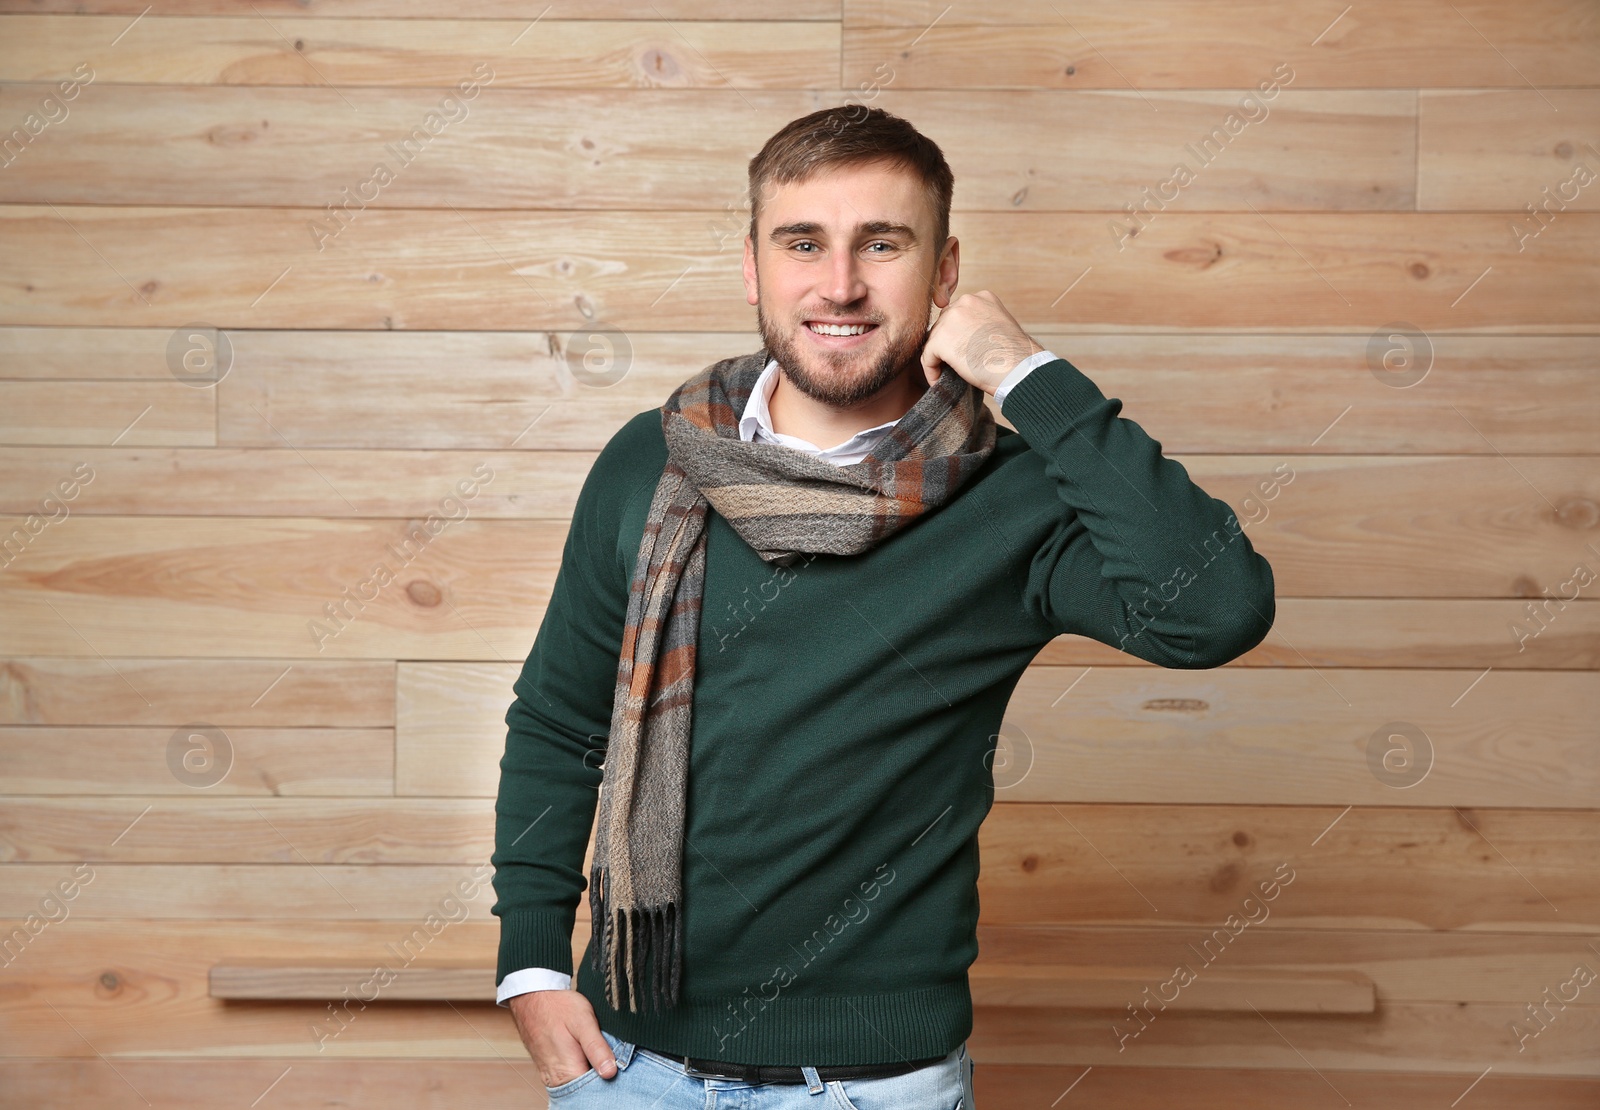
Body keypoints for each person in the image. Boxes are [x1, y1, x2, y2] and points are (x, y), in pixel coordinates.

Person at [490, 105, 1275, 1108]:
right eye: (803, 242)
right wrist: (531, 965)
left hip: (869, 1088)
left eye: (882, 244)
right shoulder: (651, 462)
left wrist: (1028, 375)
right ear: (753, 268)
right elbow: (560, 722)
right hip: (629, 1067)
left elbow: (1213, 611)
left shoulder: (1015, 494)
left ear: (944, 275)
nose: (840, 284)